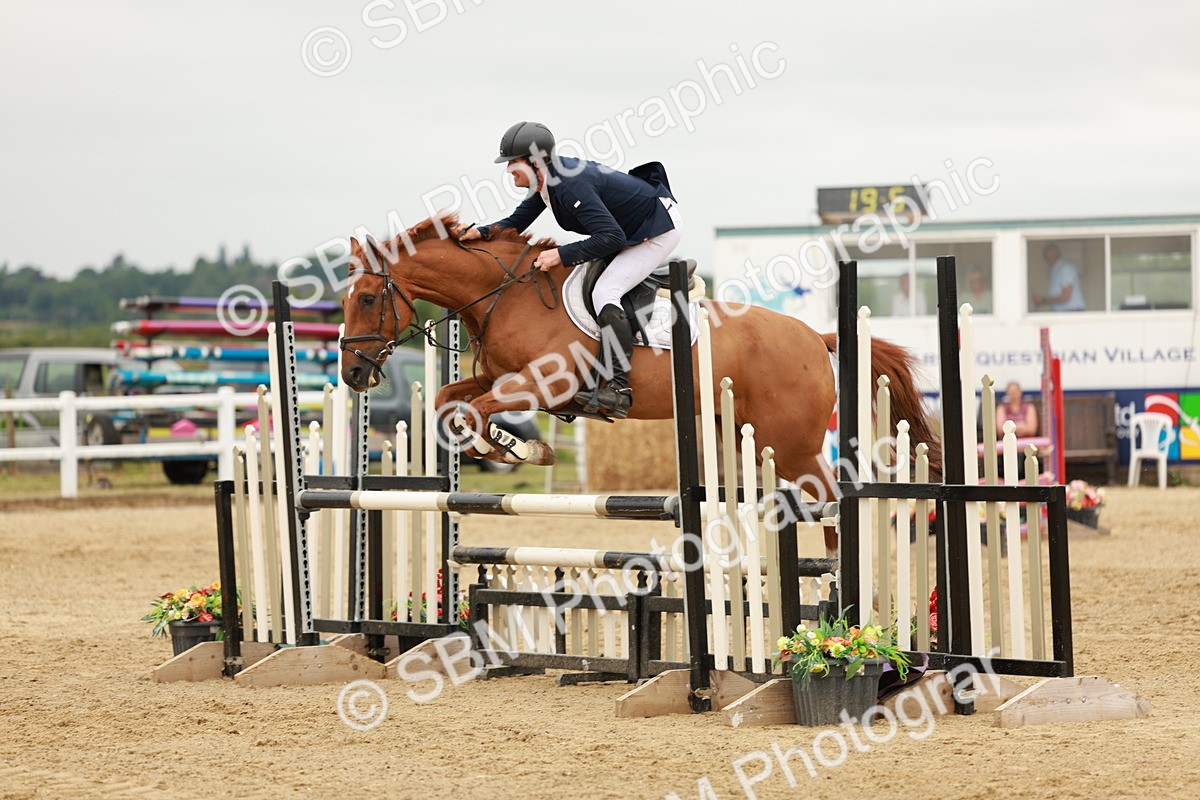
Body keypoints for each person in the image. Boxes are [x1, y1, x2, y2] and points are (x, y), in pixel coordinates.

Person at [460, 121, 681, 418]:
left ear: (535, 162)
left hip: (656, 229)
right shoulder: (547, 181)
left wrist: (561, 255)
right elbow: (516, 222)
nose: (509, 169)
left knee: (606, 291)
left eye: (514, 162)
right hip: (627, 228)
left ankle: (618, 388)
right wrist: (482, 232)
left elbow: (612, 237)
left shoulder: (568, 184)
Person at [1032, 243, 1085, 311]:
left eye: (1047, 257)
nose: (1046, 260)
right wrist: (1043, 300)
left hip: (1071, 311)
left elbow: (1065, 297)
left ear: (1056, 255)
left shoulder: (1065, 269)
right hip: (1063, 311)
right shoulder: (1056, 270)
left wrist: (1044, 299)